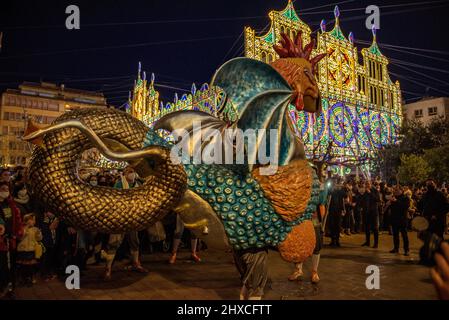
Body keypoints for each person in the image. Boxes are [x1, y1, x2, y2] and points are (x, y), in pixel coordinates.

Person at [103, 166, 148, 280]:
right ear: (125, 174)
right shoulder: (119, 184)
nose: (132, 174)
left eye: (133, 172)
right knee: (114, 242)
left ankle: (136, 263)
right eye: (130, 172)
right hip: (120, 218)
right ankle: (108, 268)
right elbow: (114, 199)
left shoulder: (138, 185)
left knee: (134, 241)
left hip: (133, 218)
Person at [288, 180, 328, 284]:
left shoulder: (320, 185)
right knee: (298, 246)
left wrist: (320, 221)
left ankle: (314, 271)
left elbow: (322, 205)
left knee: (316, 246)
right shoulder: (298, 182)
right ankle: (298, 270)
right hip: (301, 220)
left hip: (314, 220)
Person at [0, 182, 23, 298]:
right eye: (3, 189)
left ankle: (10, 286)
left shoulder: (11, 204)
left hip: (11, 240)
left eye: (7, 189)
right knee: (3, 265)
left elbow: (17, 220)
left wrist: (17, 234)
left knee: (11, 264)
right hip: (1, 241)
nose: (5, 191)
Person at [16, 213, 42, 286]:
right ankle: (22, 279)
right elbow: (19, 238)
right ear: (27, 221)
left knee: (30, 266)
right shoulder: (22, 228)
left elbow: (39, 239)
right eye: (33, 220)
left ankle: (30, 278)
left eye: (34, 220)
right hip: (22, 250)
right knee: (23, 266)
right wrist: (25, 230)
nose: (34, 222)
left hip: (31, 250)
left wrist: (39, 233)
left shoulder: (35, 229)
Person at [389, 187, 410, 256]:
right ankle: (396, 248)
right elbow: (392, 208)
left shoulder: (405, 198)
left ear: (402, 191)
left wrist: (396, 201)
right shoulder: (393, 197)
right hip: (395, 219)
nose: (396, 191)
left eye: (398, 190)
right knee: (395, 235)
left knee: (404, 235)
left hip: (402, 219)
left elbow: (405, 206)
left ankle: (406, 250)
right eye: (395, 190)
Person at [39, 210, 59, 281]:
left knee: (50, 259)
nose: (52, 214)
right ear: (45, 213)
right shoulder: (44, 221)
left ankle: (49, 273)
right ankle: (44, 275)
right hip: (46, 243)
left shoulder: (51, 220)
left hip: (52, 243)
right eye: (50, 212)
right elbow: (49, 228)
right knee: (45, 260)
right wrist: (55, 221)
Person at [327, 180, 347, 247]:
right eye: (334, 183)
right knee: (332, 225)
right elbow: (328, 194)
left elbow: (345, 195)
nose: (335, 184)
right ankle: (332, 240)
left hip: (338, 210)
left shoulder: (340, 191)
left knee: (338, 225)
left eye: (336, 183)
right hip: (332, 210)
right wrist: (332, 189)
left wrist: (340, 189)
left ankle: (337, 240)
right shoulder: (331, 190)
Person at [361, 181, 381, 248]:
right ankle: (367, 242)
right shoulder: (365, 192)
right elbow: (362, 200)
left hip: (374, 212)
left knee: (375, 228)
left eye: (368, 184)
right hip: (367, 212)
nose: (367, 185)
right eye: (366, 184)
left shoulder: (375, 191)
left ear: (371, 184)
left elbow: (378, 199)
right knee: (367, 228)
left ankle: (376, 243)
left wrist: (370, 193)